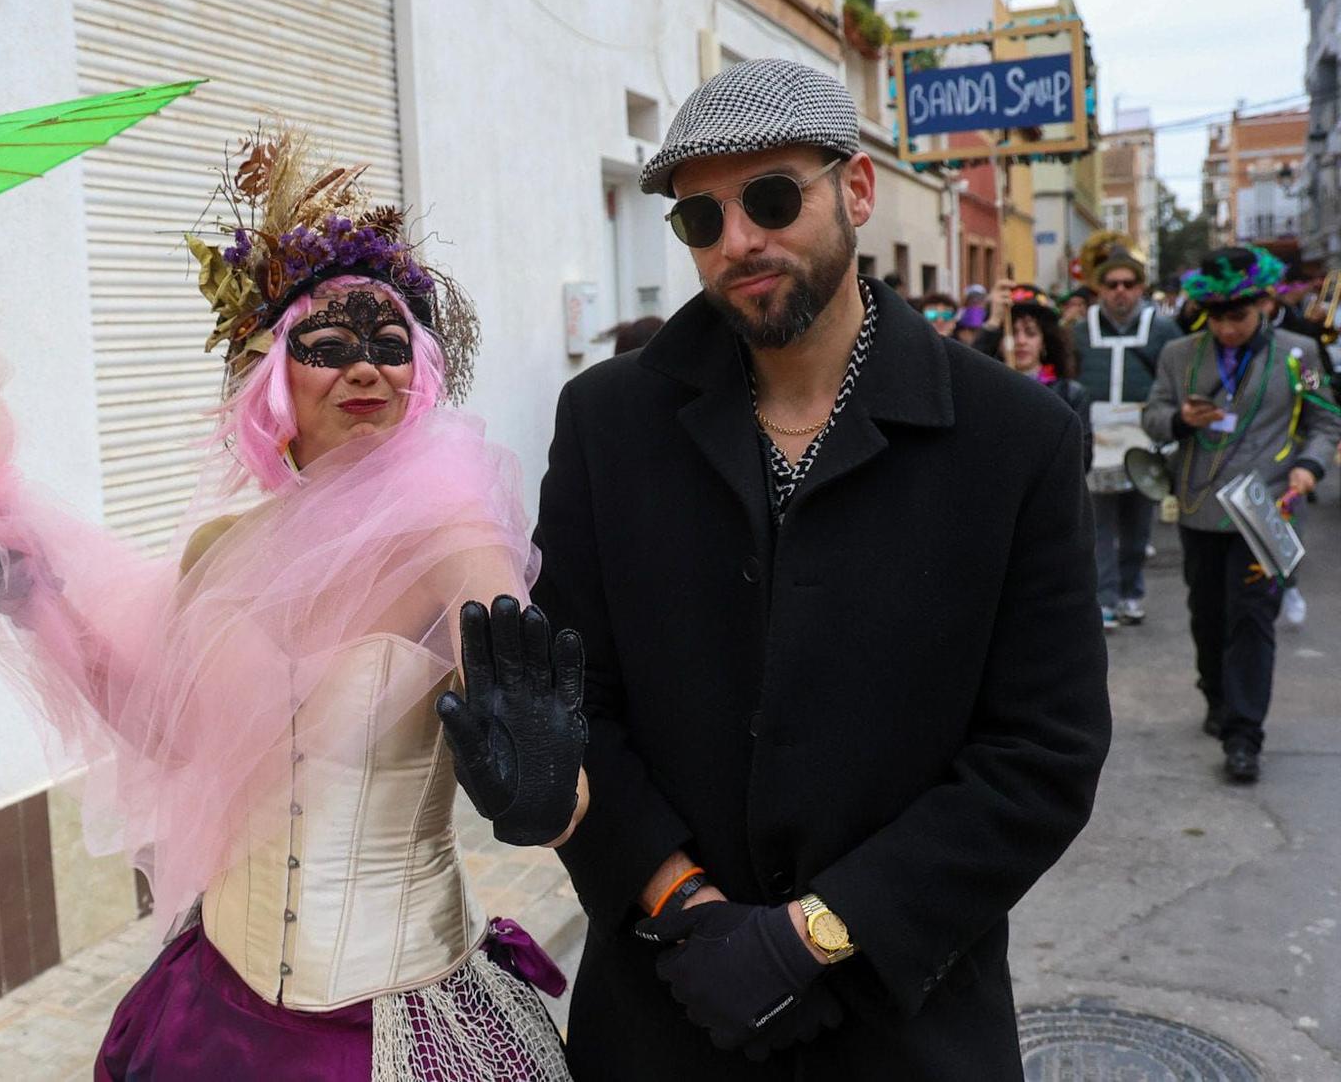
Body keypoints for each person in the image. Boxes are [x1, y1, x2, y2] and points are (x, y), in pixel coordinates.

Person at [0, 126, 581, 1080]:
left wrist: (543, 788)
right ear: (278, 376)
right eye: (328, 346)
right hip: (218, 1011)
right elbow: (173, 736)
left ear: (421, 373)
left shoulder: (456, 539)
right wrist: (39, 598)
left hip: (389, 1030)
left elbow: (550, 776)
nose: (364, 368)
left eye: (389, 344)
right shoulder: (223, 548)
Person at [534, 57, 1111, 1078]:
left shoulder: (1008, 437)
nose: (738, 241)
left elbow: (1041, 750)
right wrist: (679, 902)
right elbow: (575, 700)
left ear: (853, 188)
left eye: (768, 197)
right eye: (699, 221)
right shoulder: (608, 423)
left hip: (902, 1021)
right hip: (666, 1006)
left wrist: (816, 933)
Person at [1143, 247, 1341, 784]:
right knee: (1208, 616)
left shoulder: (1301, 355)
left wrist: (1309, 467)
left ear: (1264, 304)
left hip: (1268, 510)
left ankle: (1244, 735)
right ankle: (1216, 696)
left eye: (1239, 317)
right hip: (1200, 507)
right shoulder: (1180, 355)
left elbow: (1326, 423)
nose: (1228, 329)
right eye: (1218, 317)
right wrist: (1179, 419)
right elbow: (1152, 417)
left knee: (1253, 619)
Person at [1073, 248, 1182, 631]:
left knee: (1138, 525)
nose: (1120, 291)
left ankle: (1132, 592)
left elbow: (1176, 381)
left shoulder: (1164, 329)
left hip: (1144, 435)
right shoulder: (1080, 327)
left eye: (1128, 284)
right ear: (1099, 288)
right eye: (1112, 284)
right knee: (1099, 525)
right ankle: (1105, 597)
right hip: (1098, 436)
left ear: (1140, 287)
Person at [996, 284, 1093, 470]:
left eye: (1030, 333)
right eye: (1012, 333)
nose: (1021, 341)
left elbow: (1082, 459)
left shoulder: (1071, 393)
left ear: (1044, 341)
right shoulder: (990, 390)